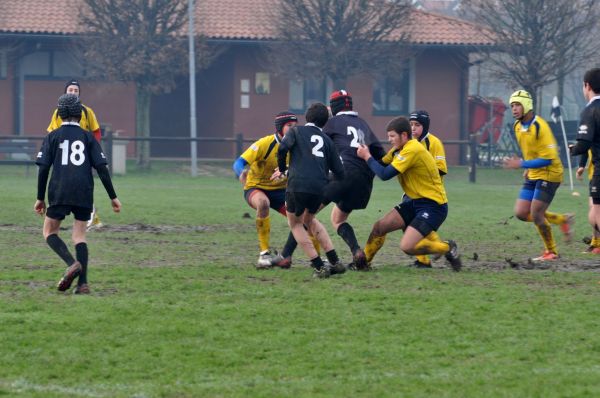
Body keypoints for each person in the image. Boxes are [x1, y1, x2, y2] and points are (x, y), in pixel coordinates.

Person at [34, 94, 121, 294]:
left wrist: (40, 197)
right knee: (79, 236)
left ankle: (72, 263)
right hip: (84, 190)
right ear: (80, 113)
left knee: (49, 232)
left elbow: (43, 169)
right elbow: (102, 168)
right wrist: (112, 197)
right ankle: (83, 284)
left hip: (60, 189)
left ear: (60, 113)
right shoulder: (87, 136)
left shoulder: (52, 136)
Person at [356, 116, 461, 271]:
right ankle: (362, 264)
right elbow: (381, 164)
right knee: (379, 227)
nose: (389, 139)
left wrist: (367, 156)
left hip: (433, 206)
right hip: (414, 202)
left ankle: (447, 248)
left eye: (392, 136)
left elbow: (384, 174)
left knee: (407, 246)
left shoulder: (413, 149)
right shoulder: (399, 149)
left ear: (404, 135)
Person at [273, 102, 346, 278]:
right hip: (320, 187)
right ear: (325, 122)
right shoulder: (327, 140)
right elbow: (340, 172)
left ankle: (319, 266)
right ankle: (335, 261)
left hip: (297, 185)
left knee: (296, 224)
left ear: (307, 117)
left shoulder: (296, 131)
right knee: (310, 220)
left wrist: (283, 168)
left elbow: (283, 148)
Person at [503, 90, 574, 261]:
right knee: (521, 213)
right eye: (512, 106)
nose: (514, 109)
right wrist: (527, 167)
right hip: (534, 173)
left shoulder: (540, 126)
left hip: (550, 174)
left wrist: (521, 164)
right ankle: (562, 219)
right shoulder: (517, 127)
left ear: (527, 105)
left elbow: (549, 159)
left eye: (518, 105)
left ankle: (551, 252)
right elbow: (530, 152)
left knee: (536, 214)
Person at [321, 90, 386, 271]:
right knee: (337, 218)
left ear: (334, 108)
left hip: (342, 174)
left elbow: (318, 145)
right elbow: (382, 155)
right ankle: (357, 251)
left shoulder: (333, 122)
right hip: (364, 181)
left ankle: (287, 255)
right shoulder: (363, 124)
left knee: (306, 215)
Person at [233, 111, 303, 269]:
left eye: (295, 126)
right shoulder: (265, 143)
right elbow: (238, 163)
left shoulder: (297, 146)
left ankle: (314, 258)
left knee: (303, 219)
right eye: (289, 126)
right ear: (280, 128)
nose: (293, 129)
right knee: (263, 203)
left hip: (280, 192)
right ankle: (264, 254)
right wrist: (241, 173)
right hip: (256, 187)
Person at [48, 79, 104, 230]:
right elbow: (52, 132)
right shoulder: (58, 112)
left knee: (84, 185)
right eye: (70, 90)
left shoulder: (87, 111)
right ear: (65, 92)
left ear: (79, 94)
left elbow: (96, 131)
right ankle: (58, 214)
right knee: (63, 184)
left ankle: (91, 216)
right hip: (64, 155)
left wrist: (93, 149)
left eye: (76, 90)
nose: (73, 92)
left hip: (81, 156)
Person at [408, 110, 448, 268]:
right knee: (410, 225)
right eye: (410, 124)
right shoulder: (409, 143)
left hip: (430, 195)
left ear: (425, 126)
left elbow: (441, 169)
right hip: (412, 193)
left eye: (417, 125)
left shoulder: (434, 143)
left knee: (417, 225)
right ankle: (423, 260)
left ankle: (441, 248)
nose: (413, 128)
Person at [570, 68, 600, 254]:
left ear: (586, 86)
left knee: (594, 215)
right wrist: (582, 164)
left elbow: (584, 143)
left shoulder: (590, 110)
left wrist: (571, 149)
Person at [576, 150, 600, 253]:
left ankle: (596, 243)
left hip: (597, 175)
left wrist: (575, 149)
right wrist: (581, 165)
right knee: (594, 210)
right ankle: (596, 243)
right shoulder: (591, 136)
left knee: (595, 211)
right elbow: (585, 148)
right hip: (594, 175)